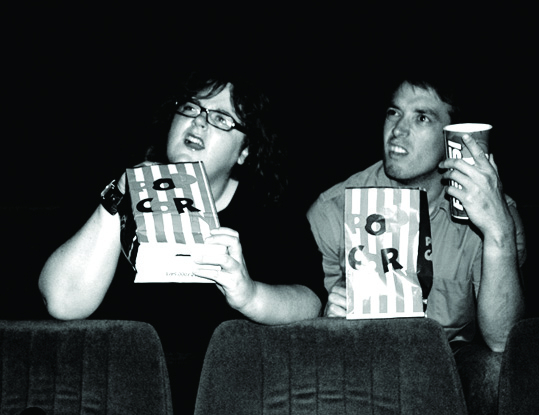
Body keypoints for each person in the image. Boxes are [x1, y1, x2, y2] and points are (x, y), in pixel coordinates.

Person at [38, 68, 325, 414]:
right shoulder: (120, 192)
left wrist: (250, 294)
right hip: (118, 396)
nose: (199, 123)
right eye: (190, 108)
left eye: (221, 118)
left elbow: (310, 302)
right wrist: (117, 199)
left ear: (244, 152)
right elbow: (61, 302)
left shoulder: (269, 212)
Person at [306, 74, 526, 414]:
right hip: (358, 361)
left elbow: (503, 340)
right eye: (394, 112)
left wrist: (498, 232)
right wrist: (325, 317)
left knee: (496, 371)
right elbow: (299, 334)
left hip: (450, 364)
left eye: (421, 117)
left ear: (455, 136)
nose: (397, 130)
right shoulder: (333, 209)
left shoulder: (493, 215)